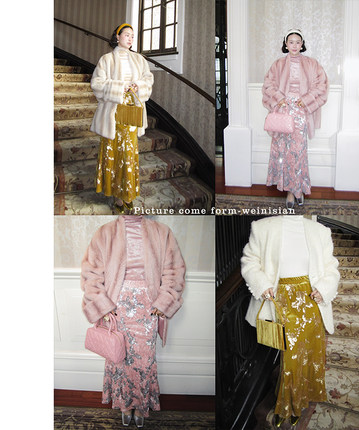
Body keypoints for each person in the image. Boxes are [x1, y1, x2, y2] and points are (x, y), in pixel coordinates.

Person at [81, 215, 186, 427]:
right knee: (119, 359)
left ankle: (141, 405)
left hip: (149, 308)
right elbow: (91, 274)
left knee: (144, 360)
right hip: (116, 308)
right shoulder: (105, 232)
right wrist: (103, 306)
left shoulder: (162, 232)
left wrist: (164, 301)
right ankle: (124, 404)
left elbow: (174, 271)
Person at [241, 215, 339, 427]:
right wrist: (262, 283)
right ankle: (288, 406)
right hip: (279, 300)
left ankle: (297, 402)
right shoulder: (262, 227)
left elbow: (331, 268)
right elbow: (249, 261)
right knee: (291, 357)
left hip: (310, 300)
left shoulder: (320, 231)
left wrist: (324, 288)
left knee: (307, 355)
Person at [90, 23, 154, 214]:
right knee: (114, 152)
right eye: (126, 35)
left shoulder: (139, 59)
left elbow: (148, 79)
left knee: (129, 153)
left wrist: (137, 86)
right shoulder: (106, 59)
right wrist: (120, 87)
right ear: (117, 37)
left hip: (132, 112)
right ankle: (117, 195)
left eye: (132, 36)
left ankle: (127, 193)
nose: (130, 38)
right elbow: (97, 84)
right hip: (113, 112)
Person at [262, 29, 328, 209]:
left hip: (301, 111)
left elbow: (322, 86)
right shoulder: (278, 64)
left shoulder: (312, 64)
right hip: (283, 110)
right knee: (284, 151)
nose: (294, 45)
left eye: (298, 42)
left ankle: (298, 189)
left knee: (298, 152)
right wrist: (280, 99)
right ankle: (291, 191)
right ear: (286, 44)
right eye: (291, 42)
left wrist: (305, 100)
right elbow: (268, 85)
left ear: (302, 44)